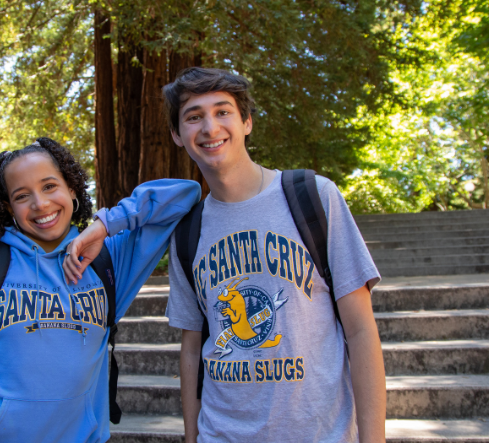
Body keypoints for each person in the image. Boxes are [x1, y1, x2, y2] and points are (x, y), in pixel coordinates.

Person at [0, 137, 201, 442]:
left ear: (72, 189)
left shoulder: (106, 261)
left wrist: (103, 225)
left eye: (49, 186)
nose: (40, 204)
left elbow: (185, 194)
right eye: (22, 196)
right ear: (9, 207)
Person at [162, 68, 386, 442]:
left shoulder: (313, 197)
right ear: (177, 135)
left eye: (223, 111)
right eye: (193, 116)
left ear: (246, 122)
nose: (210, 127)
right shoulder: (188, 230)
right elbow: (191, 347)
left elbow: (361, 330)